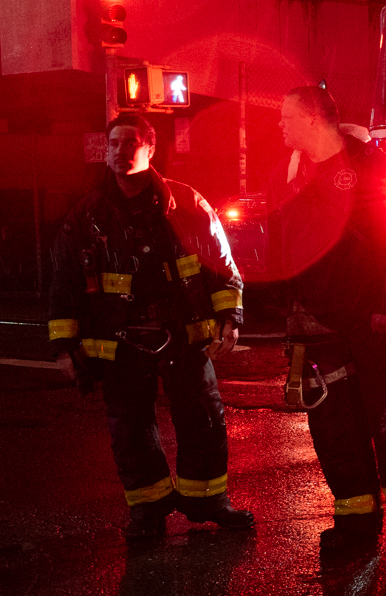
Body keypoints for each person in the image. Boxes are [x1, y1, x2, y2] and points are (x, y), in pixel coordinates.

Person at [49, 112, 251, 538]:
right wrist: (63, 347)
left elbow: (222, 265)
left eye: (130, 143)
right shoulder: (86, 215)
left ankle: (208, 500)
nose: (120, 152)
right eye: (114, 144)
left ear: (150, 147)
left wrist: (229, 319)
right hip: (119, 343)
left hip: (183, 334)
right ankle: (148, 511)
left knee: (203, 419)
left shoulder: (186, 203)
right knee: (129, 428)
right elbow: (63, 283)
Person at [275, 85, 386, 558]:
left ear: (311, 118)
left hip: (373, 318)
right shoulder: (297, 170)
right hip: (319, 323)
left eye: (287, 116)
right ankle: (355, 523)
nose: (280, 126)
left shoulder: (370, 166)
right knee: (333, 425)